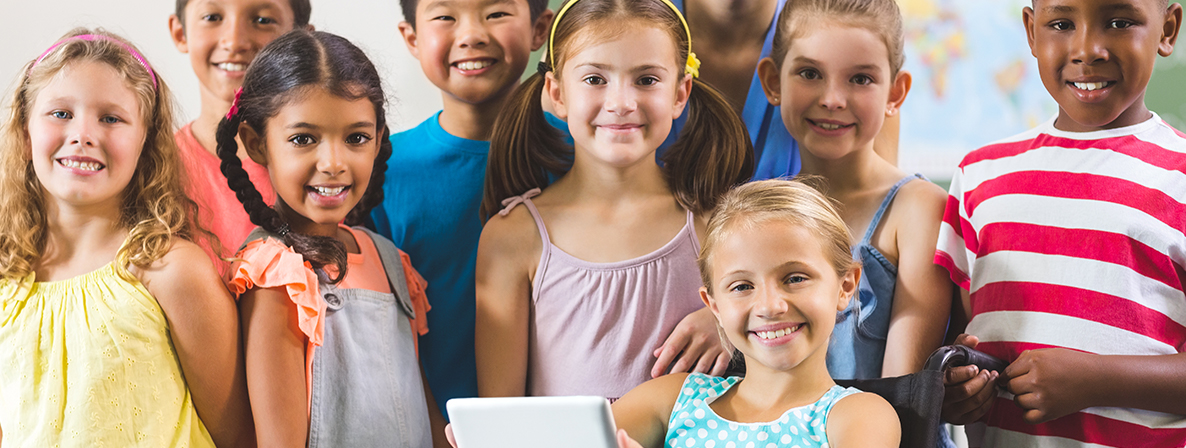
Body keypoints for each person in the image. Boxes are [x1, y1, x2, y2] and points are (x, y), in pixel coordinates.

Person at [475, 0, 754, 402]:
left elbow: (780, 323)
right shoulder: (512, 237)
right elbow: (501, 411)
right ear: (557, 93)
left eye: (646, 80)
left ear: (680, 94)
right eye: (594, 79)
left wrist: (727, 322)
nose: (621, 102)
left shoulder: (718, 224)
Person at [936, 0, 1186, 446]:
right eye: (1062, 24)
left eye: (1119, 22)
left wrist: (1096, 379)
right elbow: (958, 344)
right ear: (1032, 32)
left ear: (1168, 29)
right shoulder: (979, 176)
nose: (1087, 48)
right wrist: (958, 389)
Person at [0, 28, 252, 447]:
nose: (83, 134)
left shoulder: (171, 271)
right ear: (26, 135)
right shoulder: (7, 279)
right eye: (61, 113)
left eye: (111, 118)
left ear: (144, 144)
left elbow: (237, 437)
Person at [217, 29, 444, 446]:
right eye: (304, 139)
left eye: (356, 137)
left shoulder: (391, 261)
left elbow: (422, 416)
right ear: (256, 144)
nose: (334, 163)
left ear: (378, 141)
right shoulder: (275, 275)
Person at [611, 180, 899, 448]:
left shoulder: (859, 416)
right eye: (742, 286)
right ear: (715, 307)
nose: (769, 306)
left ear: (845, 286)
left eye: (795, 278)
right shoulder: (671, 399)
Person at [369, 0, 554, 413]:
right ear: (412, 38)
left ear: (540, 29)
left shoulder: (587, 155)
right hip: (427, 424)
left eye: (496, 13)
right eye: (445, 17)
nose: (471, 34)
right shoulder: (380, 171)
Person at [755, 0, 951, 381]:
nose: (832, 99)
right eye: (810, 73)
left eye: (860, 79)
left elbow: (904, 396)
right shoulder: (759, 213)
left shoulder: (917, 209)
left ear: (896, 92)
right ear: (772, 82)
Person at [168, 0, 311, 272]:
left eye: (263, 20)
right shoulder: (151, 168)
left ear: (301, 38)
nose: (234, 42)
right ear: (180, 32)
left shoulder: (332, 168)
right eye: (212, 17)